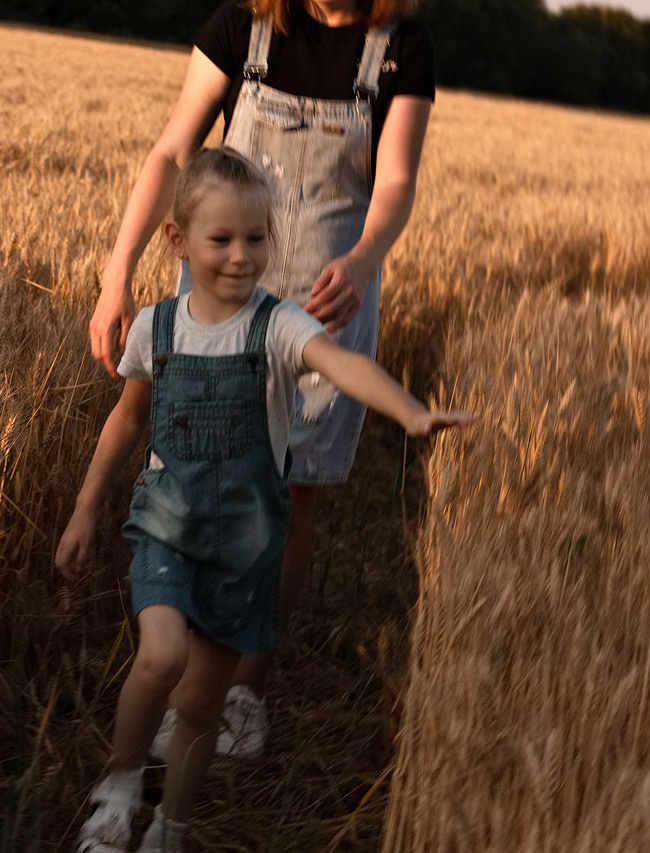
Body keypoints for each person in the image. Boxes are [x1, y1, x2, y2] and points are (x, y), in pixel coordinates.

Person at [57, 148, 469, 853]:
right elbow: (127, 418)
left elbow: (342, 363)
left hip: (245, 544)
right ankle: (118, 788)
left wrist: (408, 412)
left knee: (198, 706)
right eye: (221, 239)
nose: (242, 256)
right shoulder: (154, 328)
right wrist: (86, 508)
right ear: (179, 241)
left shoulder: (276, 326)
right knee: (157, 658)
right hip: (166, 524)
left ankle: (170, 828)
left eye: (256, 237)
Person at [89, 0, 434, 760]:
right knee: (194, 471)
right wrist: (118, 274)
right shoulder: (240, 30)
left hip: (323, 302)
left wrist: (368, 256)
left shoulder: (399, 47)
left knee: (289, 494)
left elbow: (397, 178)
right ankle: (177, 663)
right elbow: (173, 152)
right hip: (217, 302)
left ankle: (246, 686)